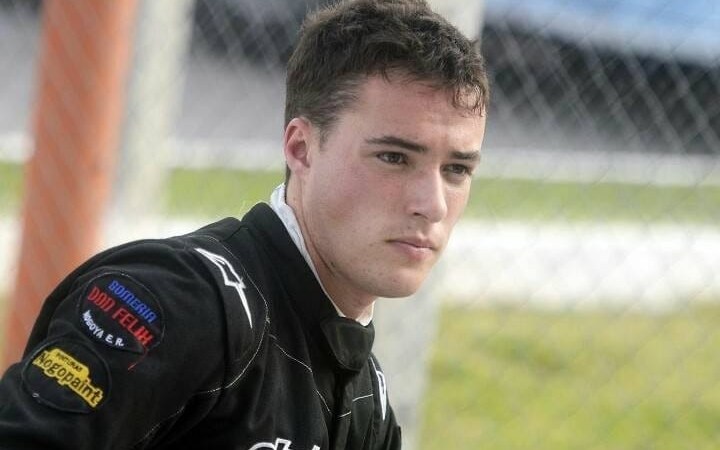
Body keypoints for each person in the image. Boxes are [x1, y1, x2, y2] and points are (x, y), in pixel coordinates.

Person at [0, 0, 488, 448]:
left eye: (456, 170)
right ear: (301, 149)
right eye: (394, 157)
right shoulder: (178, 302)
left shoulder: (368, 399)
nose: (432, 204)